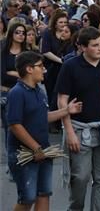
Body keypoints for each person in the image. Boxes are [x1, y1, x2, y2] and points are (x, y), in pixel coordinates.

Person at [55, 26, 100, 210]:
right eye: (95, 45)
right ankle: (76, 208)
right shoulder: (70, 66)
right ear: (82, 47)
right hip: (80, 129)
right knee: (81, 177)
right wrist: (69, 131)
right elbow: (62, 100)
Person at [7, 51, 82, 211]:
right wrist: (35, 147)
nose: (44, 70)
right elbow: (15, 125)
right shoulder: (17, 93)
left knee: (44, 193)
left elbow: (43, 117)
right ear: (28, 69)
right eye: (40, 66)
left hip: (43, 151)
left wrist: (67, 110)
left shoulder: (39, 91)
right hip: (24, 154)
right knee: (27, 198)